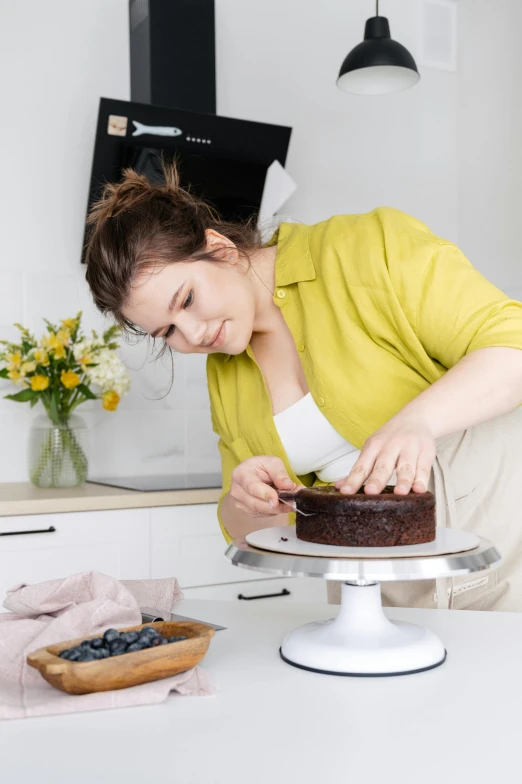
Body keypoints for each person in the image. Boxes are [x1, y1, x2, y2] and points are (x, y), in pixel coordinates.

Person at [84, 162, 522, 612]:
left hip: (498, 548)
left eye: (188, 300)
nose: (192, 335)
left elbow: (512, 343)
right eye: (167, 332)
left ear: (220, 249)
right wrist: (246, 500)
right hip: (374, 593)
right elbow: (245, 530)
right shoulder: (226, 371)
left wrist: (418, 421)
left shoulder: (364, 248)